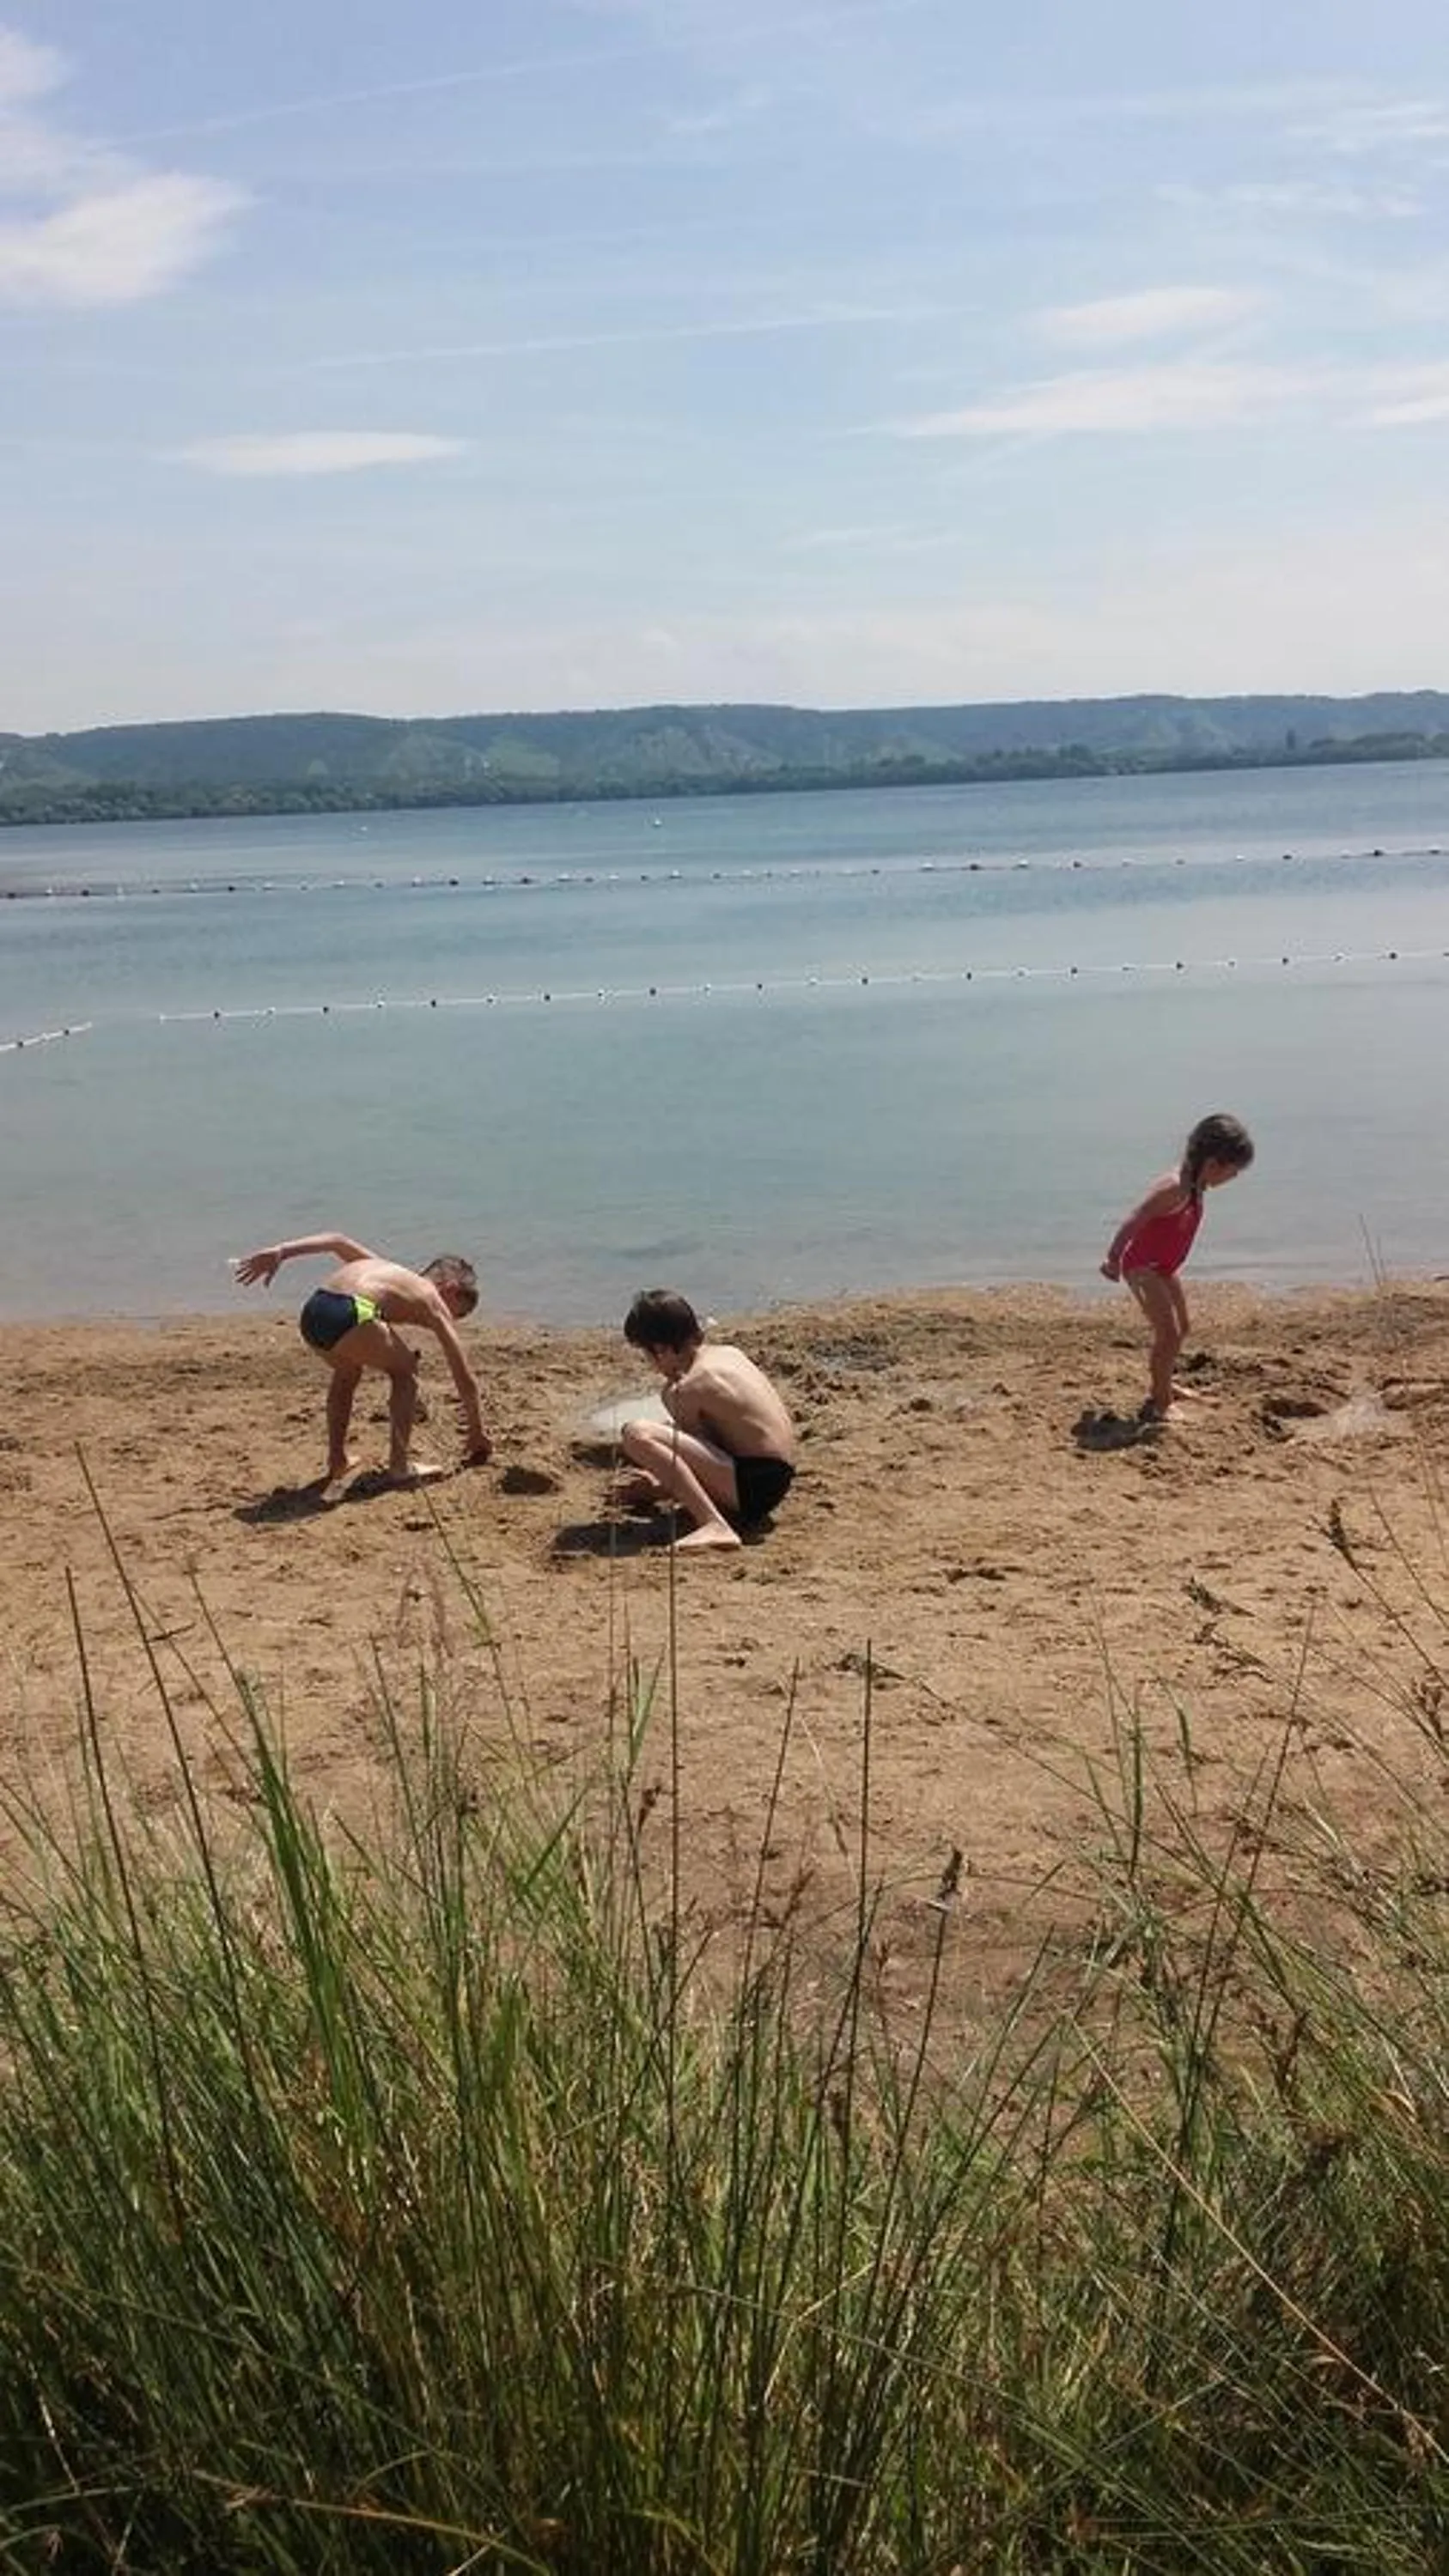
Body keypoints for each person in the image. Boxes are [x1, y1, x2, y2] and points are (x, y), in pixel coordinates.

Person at [233, 1230, 490, 1487]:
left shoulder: (384, 1269)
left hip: (314, 1312)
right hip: (350, 1311)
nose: (453, 1320)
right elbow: (462, 1374)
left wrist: (281, 1252)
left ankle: (337, 1460)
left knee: (348, 1372)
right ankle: (399, 1468)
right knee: (406, 1373)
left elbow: (337, 1241)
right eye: (460, 1313)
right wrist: (476, 1431)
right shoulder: (432, 1299)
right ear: (451, 1289)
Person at [613, 1290, 796, 1552]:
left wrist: (663, 1485)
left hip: (753, 1487)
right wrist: (658, 1488)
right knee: (663, 1433)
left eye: (647, 1354)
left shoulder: (685, 1389)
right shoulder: (728, 1354)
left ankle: (713, 1524)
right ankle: (714, 1520)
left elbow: (700, 1450)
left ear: (661, 1350)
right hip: (777, 1479)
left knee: (638, 1433)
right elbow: (717, 1445)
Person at [1100, 1113, 1255, 1424]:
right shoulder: (1175, 1189)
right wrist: (1114, 1258)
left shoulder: (1195, 1186)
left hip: (1164, 1268)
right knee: (1167, 1335)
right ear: (1213, 1164)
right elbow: (1136, 1218)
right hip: (1142, 1269)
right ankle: (1161, 1402)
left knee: (1182, 1327)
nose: (1234, 1178)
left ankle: (1165, 1383)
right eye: (1233, 1171)